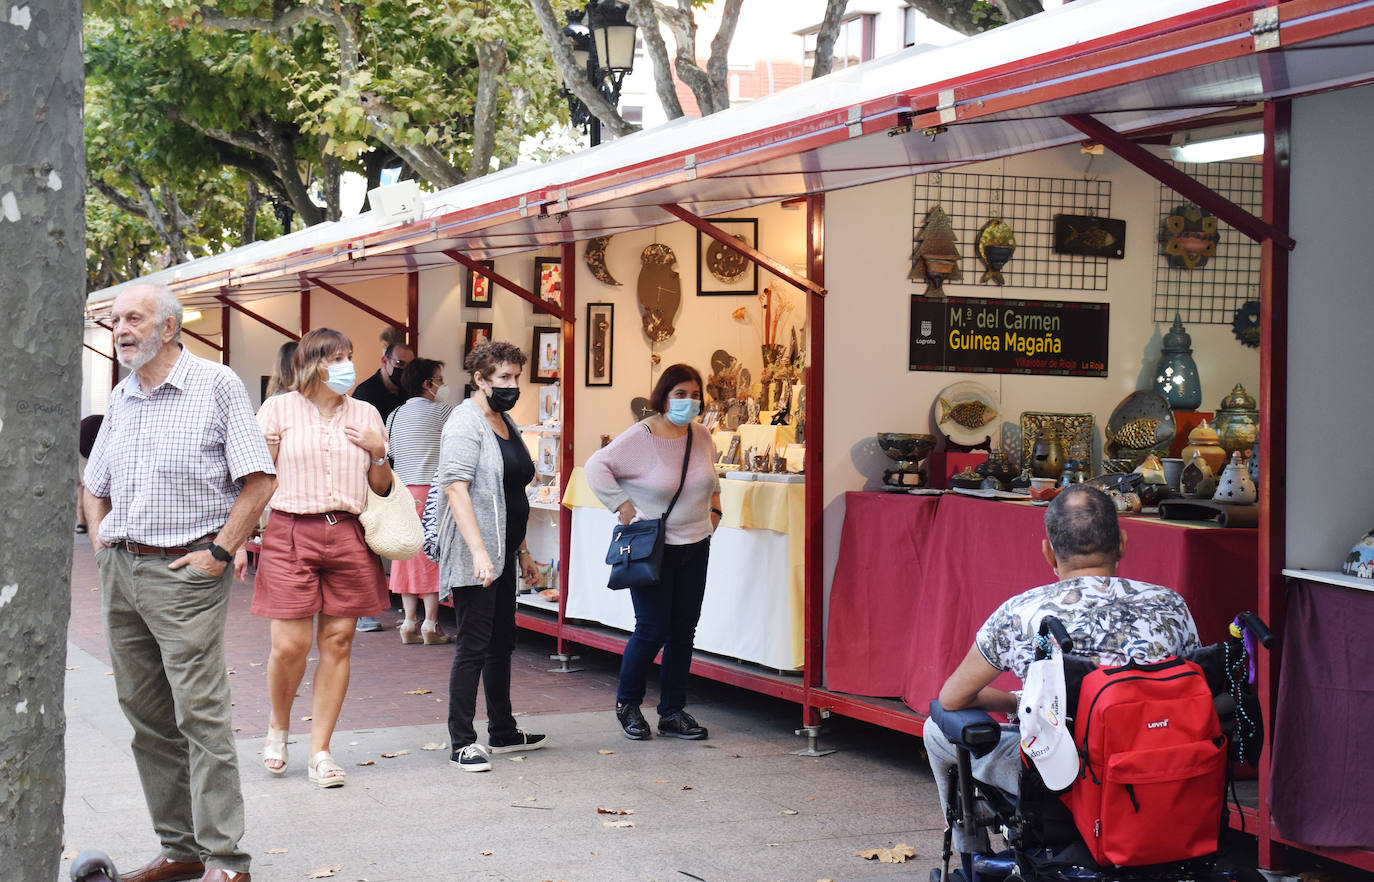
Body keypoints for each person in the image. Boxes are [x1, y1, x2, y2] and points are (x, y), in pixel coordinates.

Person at [83, 283, 275, 882]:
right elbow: (94, 483)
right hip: (122, 569)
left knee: (200, 714)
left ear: (168, 328)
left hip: (185, 571)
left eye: (133, 319)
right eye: (116, 321)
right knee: (145, 716)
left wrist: (221, 551)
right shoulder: (122, 397)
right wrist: (100, 543)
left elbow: (259, 481)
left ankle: (227, 861)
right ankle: (181, 850)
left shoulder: (215, 386)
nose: (121, 329)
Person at [922, 483, 1201, 876]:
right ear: (1121, 543)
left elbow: (953, 697)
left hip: (1062, 779)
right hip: (1162, 769)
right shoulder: (1171, 605)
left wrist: (1017, 701)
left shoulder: (1021, 614)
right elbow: (1189, 691)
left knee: (937, 728)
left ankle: (972, 858)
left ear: (1049, 552)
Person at [252, 328, 392, 789]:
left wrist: (377, 452)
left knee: (338, 642)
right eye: (337, 357)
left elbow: (382, 487)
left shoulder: (367, 412)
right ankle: (278, 726)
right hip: (291, 530)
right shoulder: (278, 409)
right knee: (290, 645)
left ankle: (321, 750)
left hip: (348, 532)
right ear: (311, 363)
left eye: (350, 355)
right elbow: (259, 479)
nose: (347, 365)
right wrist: (236, 541)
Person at [584, 363, 722, 742]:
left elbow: (710, 478)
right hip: (653, 548)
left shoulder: (702, 435)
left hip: (696, 545)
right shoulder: (643, 435)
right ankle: (628, 704)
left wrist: (715, 511)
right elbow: (597, 466)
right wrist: (624, 508)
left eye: (695, 394)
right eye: (680, 393)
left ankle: (672, 712)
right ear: (663, 397)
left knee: (683, 632)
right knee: (652, 629)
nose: (688, 401)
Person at [438, 341, 546, 772]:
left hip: (504, 553)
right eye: (503, 378)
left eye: (516, 377)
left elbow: (511, 493)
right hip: (476, 556)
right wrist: (481, 552)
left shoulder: (505, 421)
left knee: (502, 642)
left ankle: (502, 729)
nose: (512, 385)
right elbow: (455, 487)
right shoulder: (465, 423)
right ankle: (462, 740)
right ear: (479, 379)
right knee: (474, 645)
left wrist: (523, 554)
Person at [385, 357, 454, 644]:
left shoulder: (393, 416)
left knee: (406, 555)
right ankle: (431, 623)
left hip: (401, 493)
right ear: (428, 384)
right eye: (439, 378)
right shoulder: (443, 413)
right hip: (431, 490)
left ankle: (408, 621)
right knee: (431, 555)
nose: (443, 384)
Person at [352, 339, 413, 632]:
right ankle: (364, 611)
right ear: (384, 361)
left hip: (399, 473)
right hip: (369, 474)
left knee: (399, 536)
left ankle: (407, 605)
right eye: (399, 365)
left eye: (408, 367)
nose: (403, 372)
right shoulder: (366, 394)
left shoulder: (407, 392)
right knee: (368, 538)